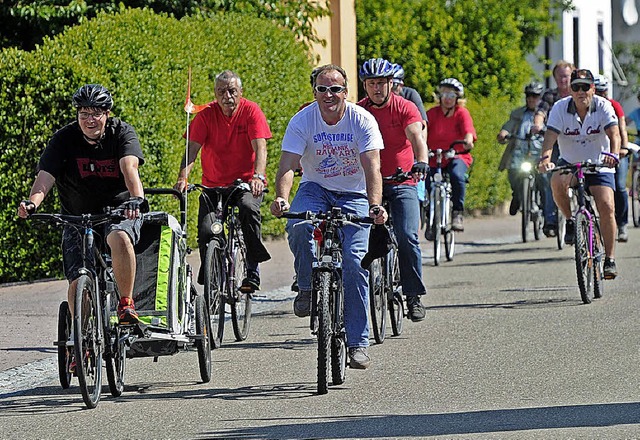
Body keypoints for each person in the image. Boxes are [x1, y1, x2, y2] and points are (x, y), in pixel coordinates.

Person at [270, 64, 387, 369]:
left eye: (335, 89)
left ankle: (358, 343)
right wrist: (282, 198)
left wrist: (375, 205)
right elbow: (287, 166)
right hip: (315, 187)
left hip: (355, 194)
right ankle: (308, 286)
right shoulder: (302, 120)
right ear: (315, 93)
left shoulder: (362, 120)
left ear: (346, 92)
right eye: (322, 89)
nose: (329, 94)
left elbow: (372, 168)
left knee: (355, 261)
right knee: (296, 225)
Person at [18, 84, 147, 325]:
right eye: (84, 114)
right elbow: (45, 176)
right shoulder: (64, 139)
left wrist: (136, 199)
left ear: (107, 114)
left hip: (118, 212)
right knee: (78, 280)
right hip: (77, 217)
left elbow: (130, 167)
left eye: (96, 113)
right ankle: (79, 343)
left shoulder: (122, 133)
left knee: (119, 237)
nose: (90, 120)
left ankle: (126, 303)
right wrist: (32, 203)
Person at [174, 70, 271, 292]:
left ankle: (252, 268)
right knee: (207, 229)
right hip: (213, 185)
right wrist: (182, 177)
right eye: (221, 92)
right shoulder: (206, 115)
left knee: (248, 208)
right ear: (215, 94)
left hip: (245, 183)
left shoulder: (251, 111)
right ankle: (211, 273)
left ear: (241, 92)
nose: (227, 96)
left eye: (232, 91)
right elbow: (192, 150)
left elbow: (260, 146)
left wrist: (258, 176)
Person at [356, 57, 429, 322]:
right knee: (354, 237)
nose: (377, 88)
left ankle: (413, 295)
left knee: (408, 236)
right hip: (368, 183)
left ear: (391, 84)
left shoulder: (405, 107)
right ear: (365, 85)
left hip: (402, 181)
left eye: (382, 83)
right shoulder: (358, 111)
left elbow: (416, 138)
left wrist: (421, 162)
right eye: (372, 83)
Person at [538, 69, 621, 279]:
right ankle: (570, 221)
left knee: (607, 205)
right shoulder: (559, 108)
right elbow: (549, 137)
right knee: (556, 180)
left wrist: (613, 153)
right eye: (576, 87)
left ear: (593, 88)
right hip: (571, 162)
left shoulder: (603, 106)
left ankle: (609, 259)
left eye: (585, 86)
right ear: (571, 90)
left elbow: (614, 134)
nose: (581, 91)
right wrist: (545, 159)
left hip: (599, 163)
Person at [497, 82, 554, 225]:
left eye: (535, 96)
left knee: (544, 181)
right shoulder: (518, 113)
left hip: (540, 154)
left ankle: (546, 211)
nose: (531, 99)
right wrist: (504, 133)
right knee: (513, 172)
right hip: (521, 152)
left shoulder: (548, 114)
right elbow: (508, 126)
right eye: (528, 96)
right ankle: (517, 195)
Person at [425, 77, 477, 232]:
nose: (448, 99)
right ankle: (429, 215)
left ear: (457, 98)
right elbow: (422, 129)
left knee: (457, 175)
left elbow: (468, 131)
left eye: (452, 96)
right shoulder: (432, 113)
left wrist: (468, 140)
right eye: (445, 95)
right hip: (435, 157)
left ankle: (457, 213)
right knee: (425, 179)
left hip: (457, 155)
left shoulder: (462, 113)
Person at [531, 60, 575, 236]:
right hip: (555, 143)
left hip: (576, 143)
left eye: (566, 76)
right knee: (552, 177)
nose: (563, 80)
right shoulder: (550, 96)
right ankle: (550, 220)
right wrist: (537, 124)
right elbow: (540, 112)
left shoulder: (577, 93)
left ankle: (584, 215)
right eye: (559, 76)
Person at [594, 75, 630, 242]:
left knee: (620, 186)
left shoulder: (614, 105)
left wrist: (623, 147)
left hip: (616, 153)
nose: (601, 95)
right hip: (598, 155)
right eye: (598, 91)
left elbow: (621, 128)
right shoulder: (590, 107)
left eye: (604, 91)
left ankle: (622, 224)